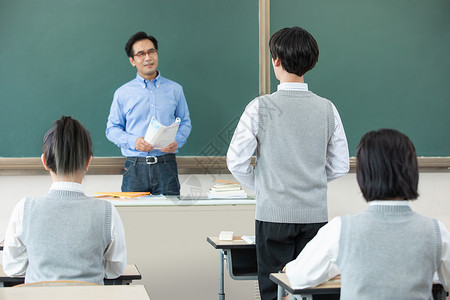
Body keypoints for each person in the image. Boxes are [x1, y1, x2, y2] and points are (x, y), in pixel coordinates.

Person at [227, 26, 349, 300]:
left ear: (276, 60)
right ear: (312, 62)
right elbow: (341, 164)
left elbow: (236, 161)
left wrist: (263, 185)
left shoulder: (260, 107)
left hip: (273, 215)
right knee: (311, 291)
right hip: (314, 216)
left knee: (274, 290)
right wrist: (311, 180)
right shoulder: (328, 108)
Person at [285, 129, 450, 299]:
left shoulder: (341, 229)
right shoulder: (436, 231)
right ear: (412, 171)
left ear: (364, 175)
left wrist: (339, 264)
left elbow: (299, 277)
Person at [2, 116, 127, 285]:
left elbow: (13, 268)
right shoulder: (107, 211)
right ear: (88, 162)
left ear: (45, 162)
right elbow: (115, 269)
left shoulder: (24, 208)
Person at [106, 31, 192, 195]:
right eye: (141, 54)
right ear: (132, 61)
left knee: (170, 218)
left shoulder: (175, 90)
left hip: (166, 165)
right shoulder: (122, 93)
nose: (148, 58)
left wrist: (177, 141)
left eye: (151, 52)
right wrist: (134, 141)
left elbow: (185, 123)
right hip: (134, 167)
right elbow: (112, 130)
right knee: (133, 219)